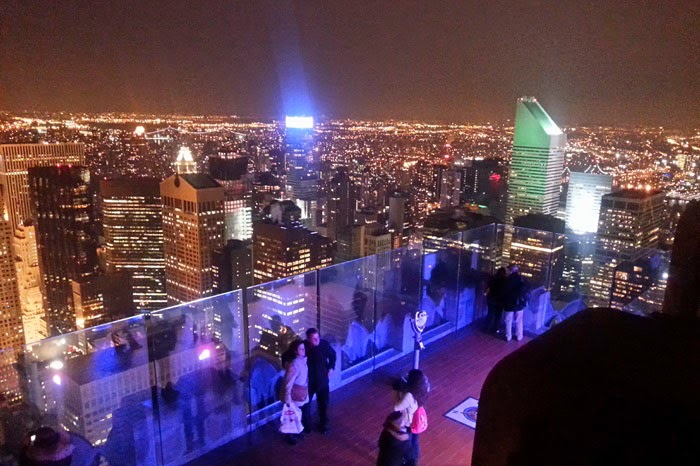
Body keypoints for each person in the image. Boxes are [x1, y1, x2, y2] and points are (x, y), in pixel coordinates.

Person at [393, 369, 430, 466]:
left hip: (408, 422)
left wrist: (396, 393)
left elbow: (396, 407)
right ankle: (414, 459)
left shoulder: (409, 395)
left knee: (406, 442)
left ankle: (409, 461)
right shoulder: (424, 388)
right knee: (415, 440)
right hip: (416, 420)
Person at [303, 328, 337, 434]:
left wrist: (331, 367)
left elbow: (333, 355)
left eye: (318, 338)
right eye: (314, 339)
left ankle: (324, 425)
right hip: (309, 382)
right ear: (308, 339)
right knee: (305, 404)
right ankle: (306, 426)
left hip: (322, 380)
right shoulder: (304, 347)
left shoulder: (324, 345)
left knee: (323, 404)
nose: (317, 340)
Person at [281, 339, 309, 445]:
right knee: (291, 415)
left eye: (304, 348)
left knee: (297, 414)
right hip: (294, 394)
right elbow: (288, 382)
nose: (304, 350)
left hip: (300, 393)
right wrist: (287, 396)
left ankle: (296, 432)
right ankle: (290, 435)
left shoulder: (301, 361)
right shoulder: (295, 364)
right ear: (296, 351)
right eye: (301, 349)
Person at [503, 263, 529, 342]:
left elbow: (505, 291)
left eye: (508, 270)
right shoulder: (522, 279)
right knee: (519, 320)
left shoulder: (508, 280)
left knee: (508, 320)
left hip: (509, 303)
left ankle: (508, 336)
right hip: (519, 303)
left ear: (511, 270)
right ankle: (519, 336)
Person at [485, 267, 507, 334]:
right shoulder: (505, 280)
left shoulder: (493, 278)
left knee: (490, 313)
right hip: (500, 300)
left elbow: (488, 287)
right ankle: (496, 329)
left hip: (491, 298)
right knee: (498, 315)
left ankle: (487, 328)